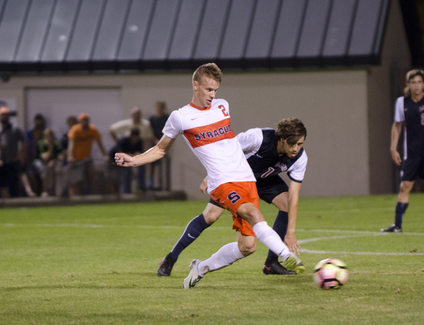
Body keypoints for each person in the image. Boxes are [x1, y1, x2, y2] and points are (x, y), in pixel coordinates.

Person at [115, 63, 304, 289]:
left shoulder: (223, 106)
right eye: (208, 90)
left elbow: (229, 145)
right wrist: (134, 159)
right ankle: (284, 255)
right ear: (196, 85)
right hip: (223, 182)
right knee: (251, 214)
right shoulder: (180, 117)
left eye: (215, 90)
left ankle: (201, 267)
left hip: (247, 180)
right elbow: (161, 149)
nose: (212, 96)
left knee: (248, 247)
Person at [157, 118, 308, 277]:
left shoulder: (299, 158)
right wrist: (213, 175)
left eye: (300, 144)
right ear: (282, 139)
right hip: (238, 178)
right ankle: (170, 258)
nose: (295, 149)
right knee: (211, 216)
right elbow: (226, 150)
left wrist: (291, 232)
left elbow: (294, 196)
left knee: (286, 204)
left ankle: (271, 263)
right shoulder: (258, 138)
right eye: (292, 144)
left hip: (264, 180)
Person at [381, 69, 424, 233]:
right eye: (413, 82)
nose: (416, 85)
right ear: (408, 85)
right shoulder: (402, 102)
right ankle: (397, 226)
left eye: (419, 82)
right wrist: (393, 147)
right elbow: (397, 125)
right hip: (410, 153)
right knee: (405, 186)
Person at [110, 107, 155, 192]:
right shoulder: (124, 140)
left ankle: (142, 189)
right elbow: (112, 130)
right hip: (124, 157)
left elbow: (147, 141)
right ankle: (127, 191)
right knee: (127, 171)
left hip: (136, 156)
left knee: (142, 169)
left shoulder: (140, 138)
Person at [67, 113, 108, 196]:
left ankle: (89, 188)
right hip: (76, 159)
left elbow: (100, 143)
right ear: (80, 121)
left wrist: (105, 155)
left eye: (86, 120)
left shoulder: (92, 130)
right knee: (76, 180)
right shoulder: (75, 130)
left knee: (91, 171)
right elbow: (71, 144)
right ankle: (76, 197)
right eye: (83, 120)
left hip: (87, 158)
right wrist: (70, 156)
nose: (85, 122)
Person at [0, 106, 28, 198]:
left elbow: (24, 141)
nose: (4, 117)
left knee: (15, 182)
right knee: (3, 184)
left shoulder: (15, 128)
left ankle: (15, 202)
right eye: (2, 115)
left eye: (6, 115)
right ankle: (5, 203)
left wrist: (21, 154)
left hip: (13, 160)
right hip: (1, 160)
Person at [107, 128, 143, 194]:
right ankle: (118, 194)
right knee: (114, 179)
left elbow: (139, 153)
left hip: (124, 162)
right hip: (113, 160)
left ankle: (129, 191)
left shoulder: (139, 141)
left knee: (126, 174)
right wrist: (132, 155)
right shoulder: (123, 141)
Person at [149, 101, 170, 190]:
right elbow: (149, 131)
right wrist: (155, 140)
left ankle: (165, 185)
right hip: (154, 144)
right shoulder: (152, 119)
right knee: (152, 164)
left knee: (164, 164)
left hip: (164, 144)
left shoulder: (166, 118)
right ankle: (150, 184)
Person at [38, 129, 63, 197]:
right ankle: (45, 190)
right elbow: (44, 157)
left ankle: (55, 191)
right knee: (45, 170)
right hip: (42, 162)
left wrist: (54, 160)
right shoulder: (41, 143)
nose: (49, 138)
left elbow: (61, 156)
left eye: (50, 136)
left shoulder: (56, 143)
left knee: (56, 169)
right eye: (47, 136)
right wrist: (50, 147)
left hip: (55, 162)